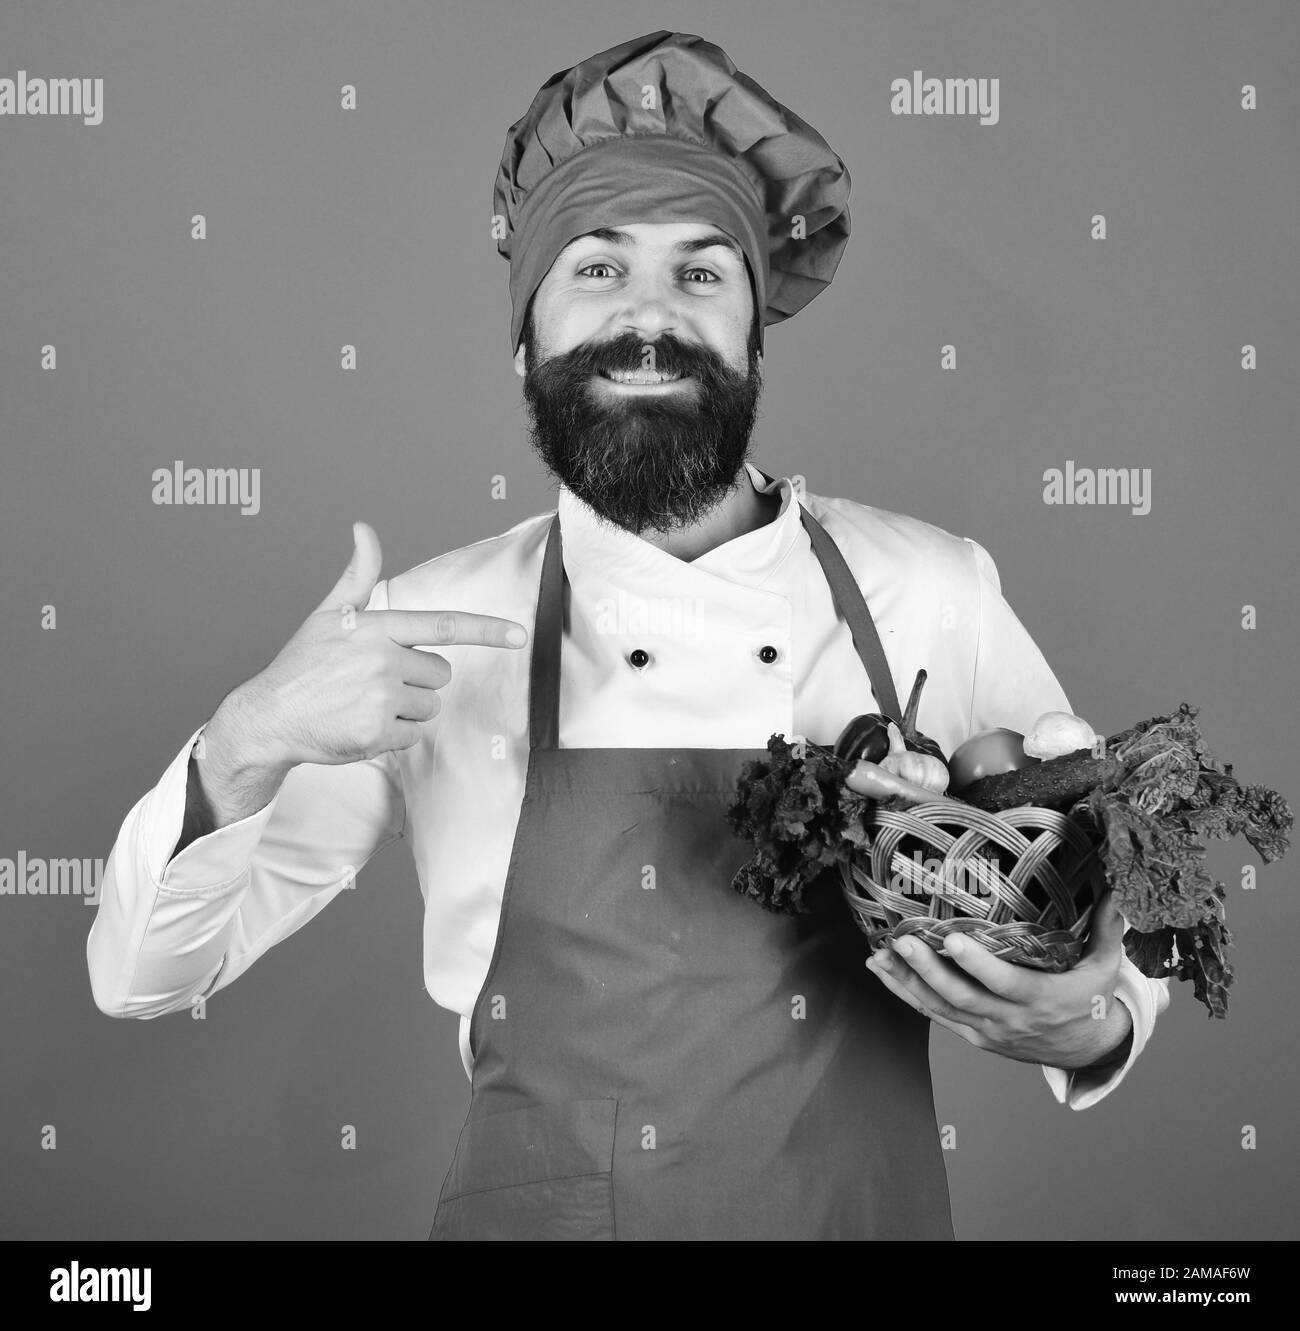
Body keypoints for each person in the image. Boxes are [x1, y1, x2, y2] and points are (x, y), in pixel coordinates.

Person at [87, 30, 1169, 1241]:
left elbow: (1109, 955)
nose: (650, 319)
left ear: (755, 336)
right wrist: (248, 740)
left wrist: (1083, 1022)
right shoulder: (434, 632)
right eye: (596, 270)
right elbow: (140, 977)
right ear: (523, 339)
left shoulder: (931, 591)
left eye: (703, 275)